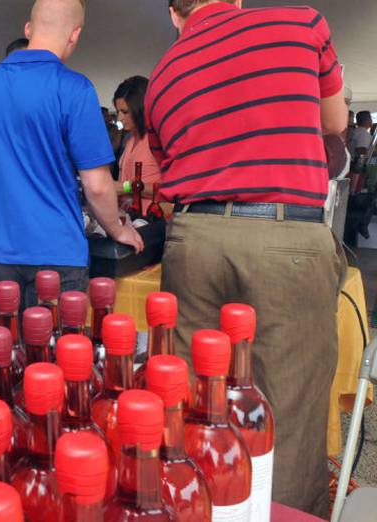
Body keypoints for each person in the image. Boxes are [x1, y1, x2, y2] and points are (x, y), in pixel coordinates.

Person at [147, 0, 348, 516]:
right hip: (284, 239)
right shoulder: (298, 22)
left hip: (193, 240)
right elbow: (335, 120)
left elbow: (165, 157)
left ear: (174, 14)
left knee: (196, 405)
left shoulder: (163, 74)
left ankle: (197, 508)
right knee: (287, 415)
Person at [0, 0, 143, 312]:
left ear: (28, 29)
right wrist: (118, 228)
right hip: (57, 253)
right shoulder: (75, 89)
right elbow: (97, 185)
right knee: (53, 357)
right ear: (75, 35)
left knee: (6, 353)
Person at [114, 76, 161, 205]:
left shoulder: (157, 139)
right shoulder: (130, 140)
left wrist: (125, 187)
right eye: (118, 111)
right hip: (129, 218)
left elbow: (170, 189)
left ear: (140, 109)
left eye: (125, 112)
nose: (119, 118)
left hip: (152, 219)